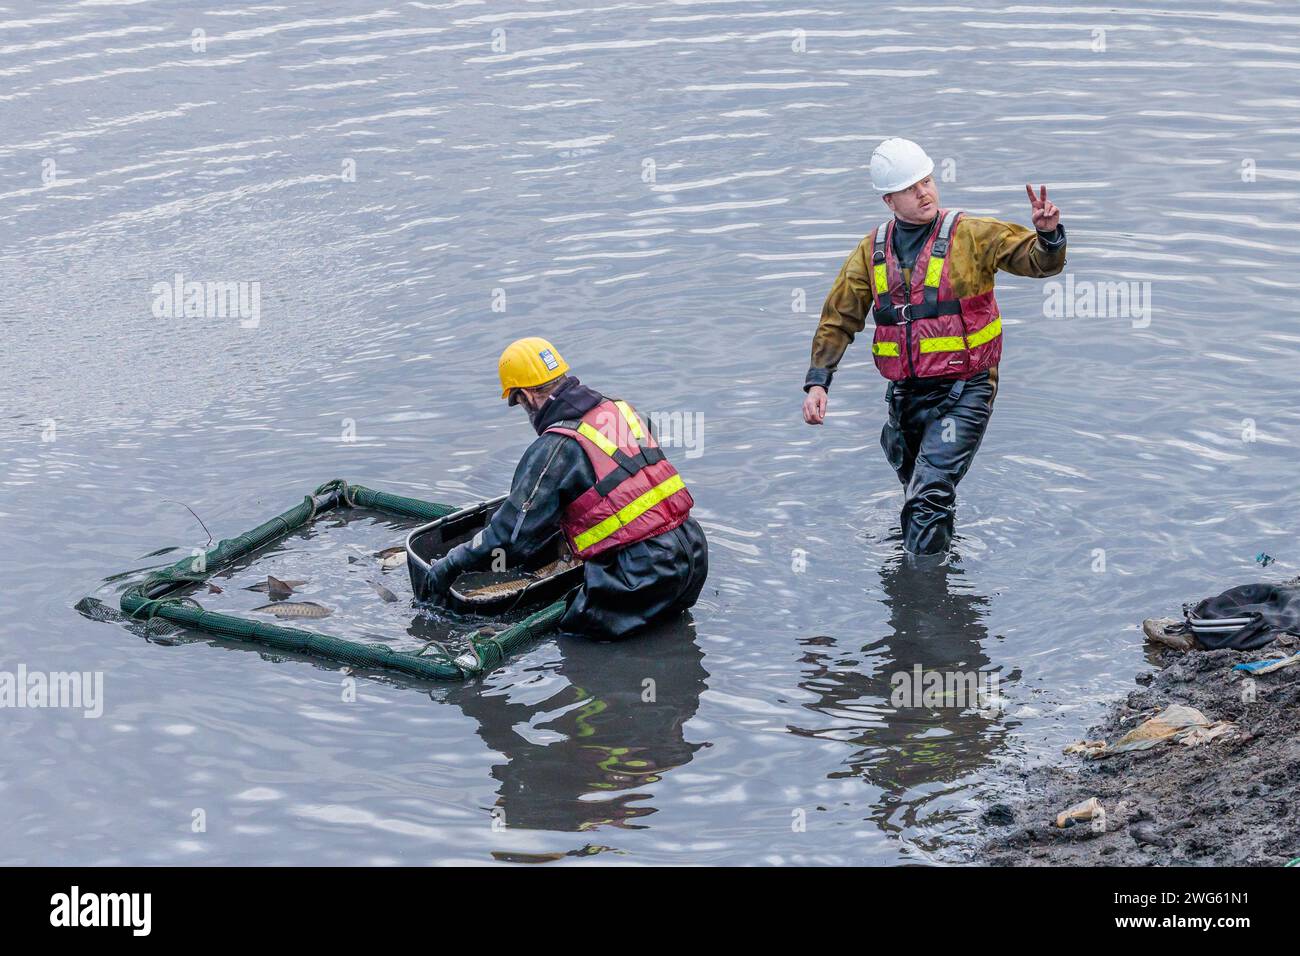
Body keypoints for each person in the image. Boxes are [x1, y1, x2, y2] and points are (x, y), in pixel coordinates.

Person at [801, 137, 1067, 557]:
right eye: (910, 187)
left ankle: (921, 599)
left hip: (967, 388)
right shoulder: (870, 252)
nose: (924, 192)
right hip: (907, 393)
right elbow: (839, 318)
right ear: (889, 199)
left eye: (926, 181)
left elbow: (1036, 262)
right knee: (919, 486)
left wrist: (1048, 237)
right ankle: (938, 572)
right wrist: (819, 383)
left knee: (927, 498)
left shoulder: (974, 235)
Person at [419, 337, 708, 640]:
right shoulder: (622, 410)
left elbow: (509, 539)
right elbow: (620, 487)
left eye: (518, 402)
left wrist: (449, 566)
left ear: (526, 396)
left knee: (575, 645)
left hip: (641, 576)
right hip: (692, 553)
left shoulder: (554, 448)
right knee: (665, 636)